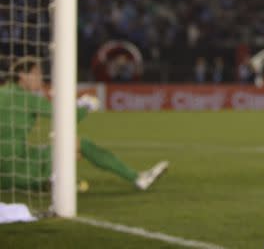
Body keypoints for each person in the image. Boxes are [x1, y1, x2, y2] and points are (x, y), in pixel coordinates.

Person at [0, 57, 168, 192]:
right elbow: (67, 120)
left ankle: (53, 179)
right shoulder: (27, 98)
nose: (41, 78)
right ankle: (137, 178)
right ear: (22, 75)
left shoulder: (3, 92)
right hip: (16, 169)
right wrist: (86, 106)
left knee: (60, 149)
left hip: (5, 173)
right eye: (36, 74)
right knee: (79, 144)